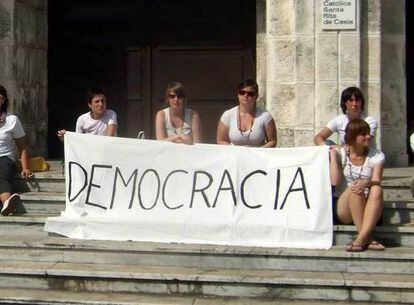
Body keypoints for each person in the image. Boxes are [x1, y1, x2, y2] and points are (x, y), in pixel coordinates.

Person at [329, 118, 385, 252]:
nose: (368, 136)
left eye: (368, 133)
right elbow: (335, 181)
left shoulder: (377, 155)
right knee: (354, 188)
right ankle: (368, 238)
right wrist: (333, 157)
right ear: (353, 137)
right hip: (344, 206)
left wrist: (366, 183)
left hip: (367, 206)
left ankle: (361, 238)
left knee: (376, 189)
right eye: (363, 134)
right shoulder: (340, 153)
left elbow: (376, 180)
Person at [0, 85, 32, 216]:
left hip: (4, 158)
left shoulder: (12, 120)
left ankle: (7, 203)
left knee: (1, 175)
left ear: (3, 100)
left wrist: (25, 167)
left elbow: (22, 147)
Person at [216, 79, 276, 147]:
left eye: (250, 94)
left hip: (257, 156)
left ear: (256, 96)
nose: (245, 96)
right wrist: (236, 152)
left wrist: (257, 152)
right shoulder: (228, 115)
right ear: (238, 95)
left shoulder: (265, 116)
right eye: (242, 92)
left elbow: (272, 141)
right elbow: (221, 141)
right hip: (234, 156)